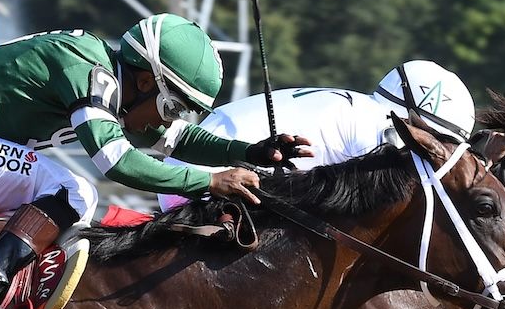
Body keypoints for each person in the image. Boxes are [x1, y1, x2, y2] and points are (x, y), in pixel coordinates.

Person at [0, 13, 309, 309]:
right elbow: (118, 162)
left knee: (66, 209)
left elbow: (178, 140)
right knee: (74, 192)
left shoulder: (111, 80)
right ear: (146, 82)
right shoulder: (88, 69)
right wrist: (210, 181)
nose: (166, 120)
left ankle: (6, 291)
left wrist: (250, 151)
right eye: (171, 106)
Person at [157, 59, 476, 212]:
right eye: (436, 141)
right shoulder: (377, 129)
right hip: (203, 183)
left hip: (196, 166)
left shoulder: (361, 108)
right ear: (413, 119)